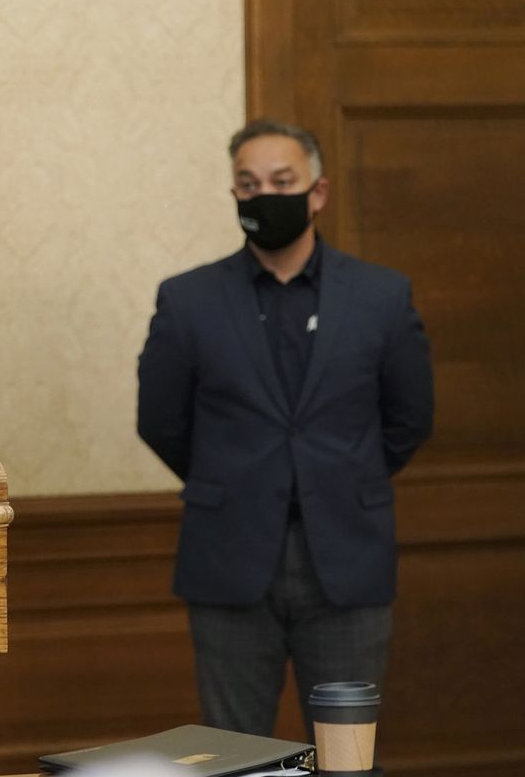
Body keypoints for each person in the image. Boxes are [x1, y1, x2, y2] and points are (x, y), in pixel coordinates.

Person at [137, 119, 434, 741]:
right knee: (235, 751)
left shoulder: (381, 295)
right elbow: (162, 421)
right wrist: (233, 474)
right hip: (230, 558)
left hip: (347, 558)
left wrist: (340, 476)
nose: (264, 195)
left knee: (349, 755)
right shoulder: (188, 300)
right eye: (248, 184)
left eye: (282, 181)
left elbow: (410, 418)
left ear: (317, 192)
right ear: (234, 196)